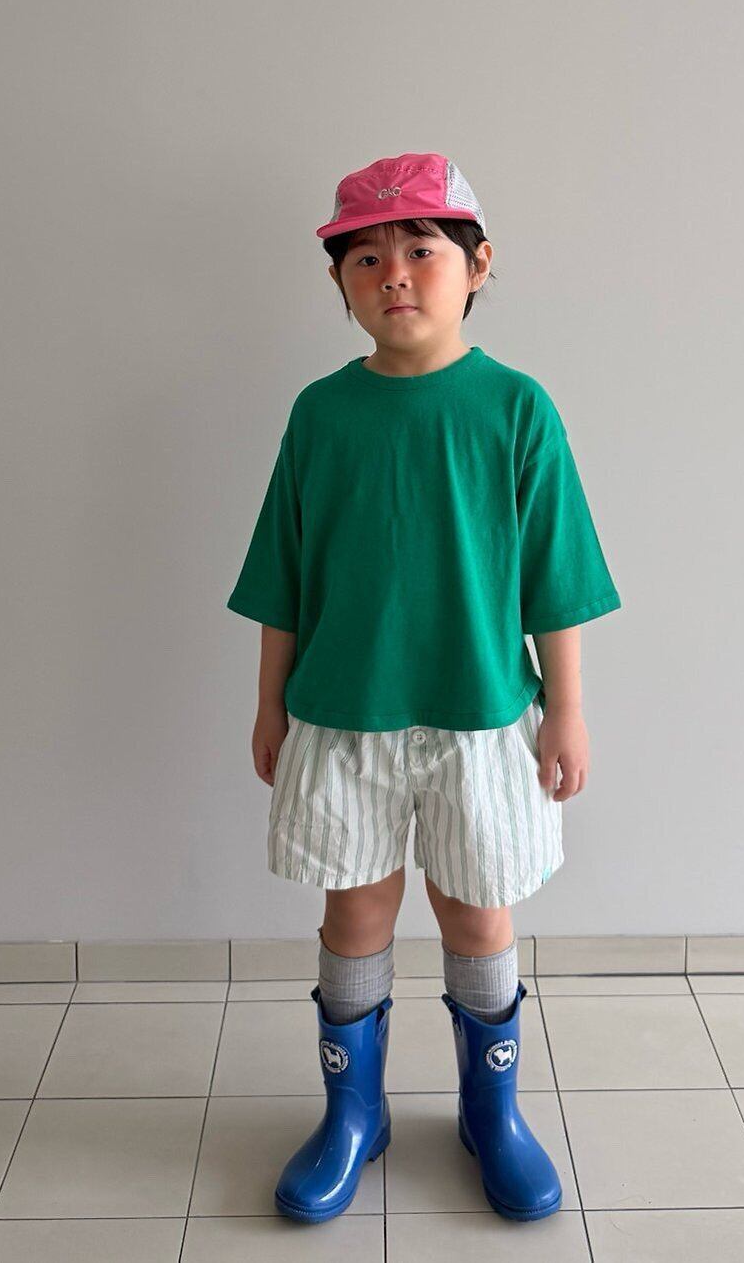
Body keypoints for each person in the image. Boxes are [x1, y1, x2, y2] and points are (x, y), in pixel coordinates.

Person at [227, 151, 621, 1223]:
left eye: (420, 248)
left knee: (477, 912)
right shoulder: (320, 414)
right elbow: (283, 573)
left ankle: (491, 1114)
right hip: (342, 711)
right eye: (365, 257)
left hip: (481, 715)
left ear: (477, 265)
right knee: (354, 907)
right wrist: (268, 700)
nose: (392, 271)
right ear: (340, 283)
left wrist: (567, 710)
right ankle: (353, 1114)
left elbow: (556, 576)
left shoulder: (516, 408)